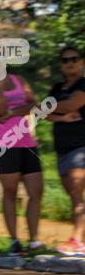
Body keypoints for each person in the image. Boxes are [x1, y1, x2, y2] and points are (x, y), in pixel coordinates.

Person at [0, 72, 44, 256]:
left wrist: (14, 112)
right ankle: (15, 241)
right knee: (11, 191)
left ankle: (34, 240)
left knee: (36, 191)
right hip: (2, 143)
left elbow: (33, 104)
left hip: (26, 141)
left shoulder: (19, 80)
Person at [46, 46, 85, 256]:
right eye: (65, 60)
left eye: (74, 59)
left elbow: (71, 104)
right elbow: (42, 112)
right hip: (62, 149)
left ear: (81, 62)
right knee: (74, 196)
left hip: (80, 148)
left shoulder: (83, 84)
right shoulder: (57, 87)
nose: (69, 62)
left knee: (78, 194)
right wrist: (59, 116)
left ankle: (77, 241)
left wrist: (53, 107)